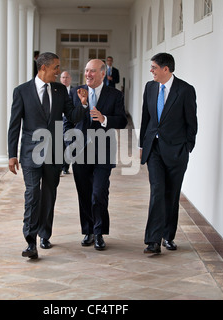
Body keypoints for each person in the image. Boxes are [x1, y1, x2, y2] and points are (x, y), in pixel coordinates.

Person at [8, 52, 88, 259]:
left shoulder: (60, 90)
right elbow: (14, 125)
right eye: (55, 67)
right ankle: (30, 241)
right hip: (30, 153)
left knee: (49, 195)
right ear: (43, 68)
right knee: (32, 194)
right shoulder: (22, 91)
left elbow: (72, 116)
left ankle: (45, 234)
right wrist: (11, 154)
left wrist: (83, 104)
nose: (58, 72)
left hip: (53, 153)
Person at [139, 53, 198, 255]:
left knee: (171, 194)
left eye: (154, 67)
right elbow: (145, 119)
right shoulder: (150, 87)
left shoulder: (185, 90)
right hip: (154, 149)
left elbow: (192, 123)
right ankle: (153, 240)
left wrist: (186, 148)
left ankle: (168, 236)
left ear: (166, 69)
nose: (151, 71)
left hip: (176, 152)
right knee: (157, 191)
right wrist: (142, 146)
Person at [69, 59, 127, 250]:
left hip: (103, 151)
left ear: (103, 74)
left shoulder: (115, 95)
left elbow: (122, 121)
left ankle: (100, 232)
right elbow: (69, 119)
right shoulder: (76, 92)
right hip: (80, 151)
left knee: (99, 193)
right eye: (86, 71)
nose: (88, 74)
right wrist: (83, 106)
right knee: (84, 193)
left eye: (92, 71)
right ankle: (88, 231)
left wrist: (104, 119)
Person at [59, 71, 75, 175]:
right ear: (60, 79)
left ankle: (65, 167)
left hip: (69, 122)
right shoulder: (56, 90)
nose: (65, 79)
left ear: (70, 79)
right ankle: (59, 167)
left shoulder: (74, 91)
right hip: (58, 120)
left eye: (67, 77)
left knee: (68, 144)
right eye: (63, 77)